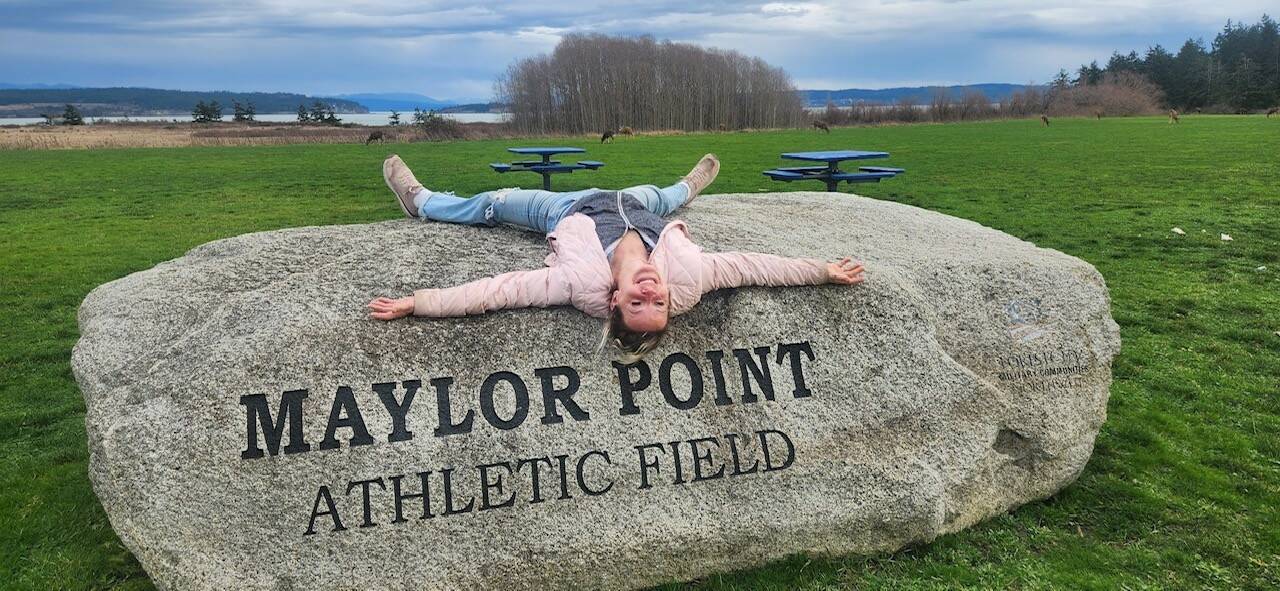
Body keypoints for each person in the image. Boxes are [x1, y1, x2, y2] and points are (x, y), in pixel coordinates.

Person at [369, 153, 866, 360]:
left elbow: (500, 291)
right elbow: (753, 267)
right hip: (635, 205)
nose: (649, 292)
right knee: (663, 196)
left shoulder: (576, 283)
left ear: (615, 301)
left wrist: (420, 302)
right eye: (657, 303)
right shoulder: (689, 277)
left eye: (637, 303)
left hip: (569, 208)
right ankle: (686, 188)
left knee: (494, 203)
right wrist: (820, 271)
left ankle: (423, 202)